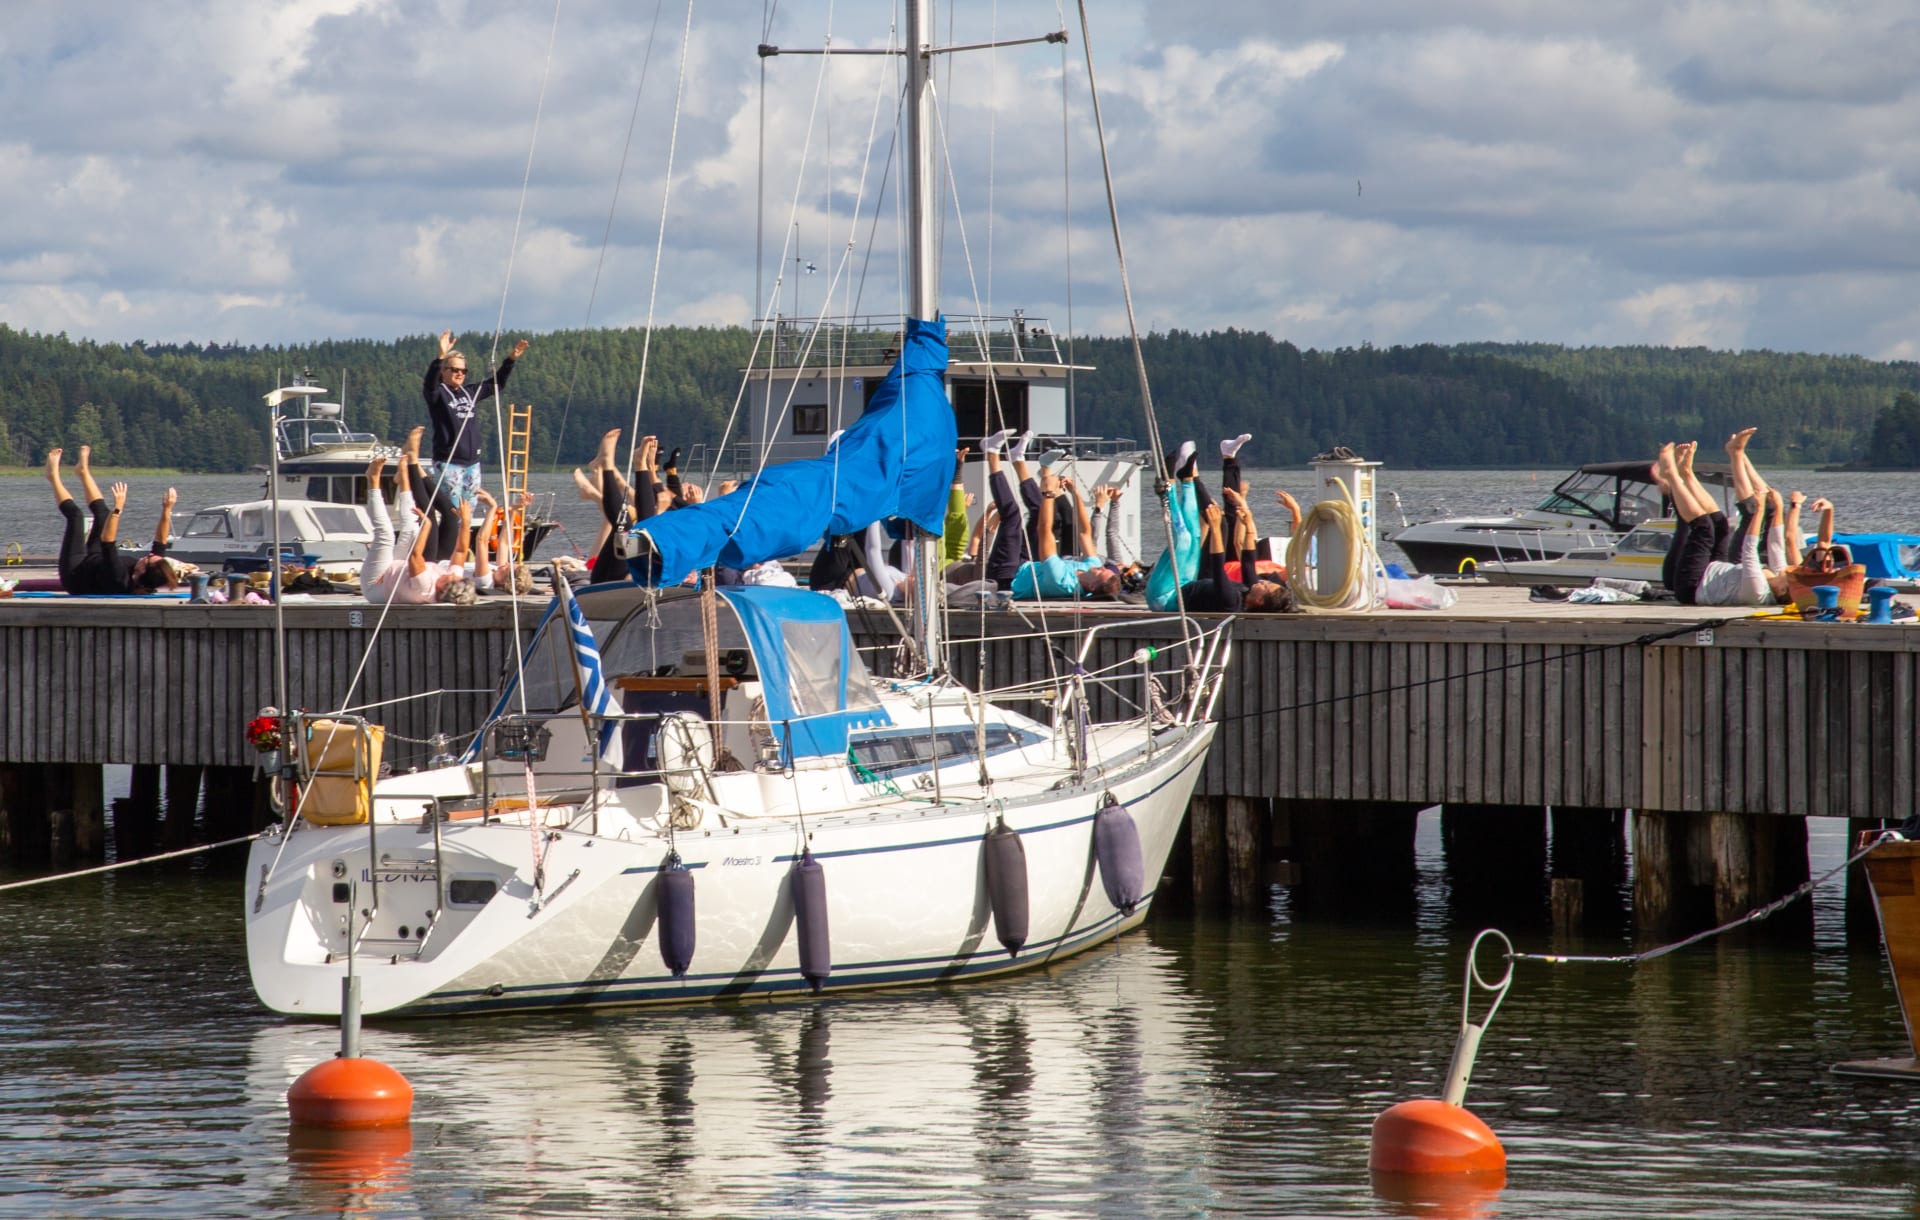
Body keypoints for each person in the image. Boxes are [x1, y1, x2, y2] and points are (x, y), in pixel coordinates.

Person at [1656, 432, 1786, 607]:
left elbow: (1749, 550)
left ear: (1782, 590)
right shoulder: (1778, 578)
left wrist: (1760, 509)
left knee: (1703, 529)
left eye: (1791, 580)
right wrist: (1778, 508)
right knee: (1720, 524)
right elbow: (1777, 545)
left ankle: (1671, 475)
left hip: (1692, 586)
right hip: (1714, 570)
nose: (1791, 574)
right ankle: (1686, 473)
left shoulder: (1758, 592)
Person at [45, 446, 181, 595]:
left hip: (75, 572)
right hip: (95, 559)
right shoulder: (151, 568)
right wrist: (167, 509)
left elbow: (107, 541)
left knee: (76, 517)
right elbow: (160, 541)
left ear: (143, 571)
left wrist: (118, 509)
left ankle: (53, 477)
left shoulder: (118, 577)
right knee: (103, 514)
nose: (149, 555)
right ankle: (83, 472)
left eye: (149, 559)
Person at [422, 329, 530, 510]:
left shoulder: (469, 392)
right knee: (454, 510)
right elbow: (429, 385)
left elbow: (497, 384)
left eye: (463, 371)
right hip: (450, 463)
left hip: (472, 463)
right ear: (443, 371)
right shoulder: (438, 393)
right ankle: (451, 536)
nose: (460, 374)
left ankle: (463, 536)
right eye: (454, 370)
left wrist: (511, 359)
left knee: (468, 510)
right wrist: (440, 357)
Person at [358, 455, 479, 605]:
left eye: (452, 578)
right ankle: (404, 480)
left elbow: (415, 557)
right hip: (396, 571)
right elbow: (460, 551)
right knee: (411, 529)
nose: (452, 574)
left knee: (386, 535)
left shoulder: (426, 589)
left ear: (442, 589)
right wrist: (466, 523)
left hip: (376, 586)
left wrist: (427, 526)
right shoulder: (451, 579)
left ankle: (373, 479)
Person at [1010, 470, 1121, 600]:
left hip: (1012, 574)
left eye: (1101, 571)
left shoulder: (1061, 581)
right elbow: (1085, 532)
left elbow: (1044, 530)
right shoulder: (1091, 569)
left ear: (1091, 586)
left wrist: (1049, 493)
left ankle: (1014, 460)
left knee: (1013, 515)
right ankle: (1021, 461)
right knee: (1047, 517)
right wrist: (1075, 493)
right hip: (1028, 564)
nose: (1101, 567)